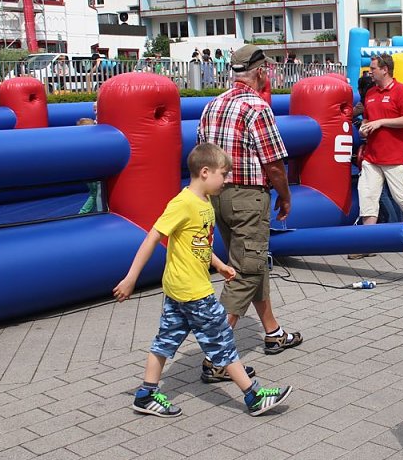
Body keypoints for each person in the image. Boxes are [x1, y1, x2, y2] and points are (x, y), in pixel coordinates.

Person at [114, 143, 291, 418]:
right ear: (205, 172)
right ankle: (254, 396)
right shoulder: (183, 204)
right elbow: (153, 237)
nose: (227, 180)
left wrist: (219, 265)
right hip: (193, 291)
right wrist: (131, 278)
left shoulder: (205, 203)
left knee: (166, 340)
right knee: (222, 340)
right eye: (224, 174)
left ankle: (146, 395)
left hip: (180, 291)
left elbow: (200, 244)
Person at [196, 45, 303, 357]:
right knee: (246, 271)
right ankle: (216, 354)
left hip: (217, 197)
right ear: (260, 72)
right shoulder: (257, 107)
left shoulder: (212, 105)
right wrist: (285, 196)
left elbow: (200, 154)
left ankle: (273, 332)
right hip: (247, 197)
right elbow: (273, 164)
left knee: (250, 263)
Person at [357, 54, 403, 226]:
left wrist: (381, 122)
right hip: (372, 157)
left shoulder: (402, 91)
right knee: (367, 199)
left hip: (395, 157)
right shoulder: (371, 93)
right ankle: (367, 239)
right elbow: (367, 118)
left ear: (385, 70)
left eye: (373, 68)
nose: (369, 72)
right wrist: (363, 128)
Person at [76, 117, 103, 214]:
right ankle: (98, 212)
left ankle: (84, 212)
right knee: (98, 193)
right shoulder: (92, 141)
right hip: (94, 172)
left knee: (94, 193)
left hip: (87, 172)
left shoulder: (80, 141)